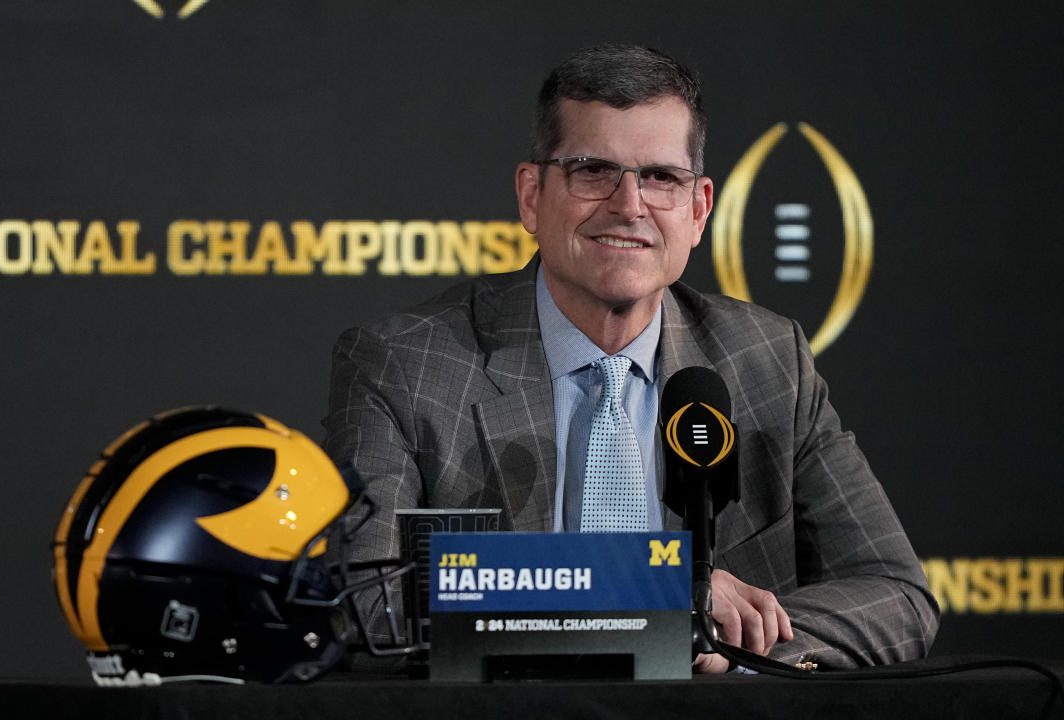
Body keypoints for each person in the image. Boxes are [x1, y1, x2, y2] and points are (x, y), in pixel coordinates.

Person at [323, 43, 939, 672]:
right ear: (532, 195)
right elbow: (364, 606)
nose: (629, 205)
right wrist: (660, 597)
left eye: (661, 178)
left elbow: (894, 594)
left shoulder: (769, 363)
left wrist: (734, 650)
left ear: (698, 211)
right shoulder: (405, 365)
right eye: (593, 171)